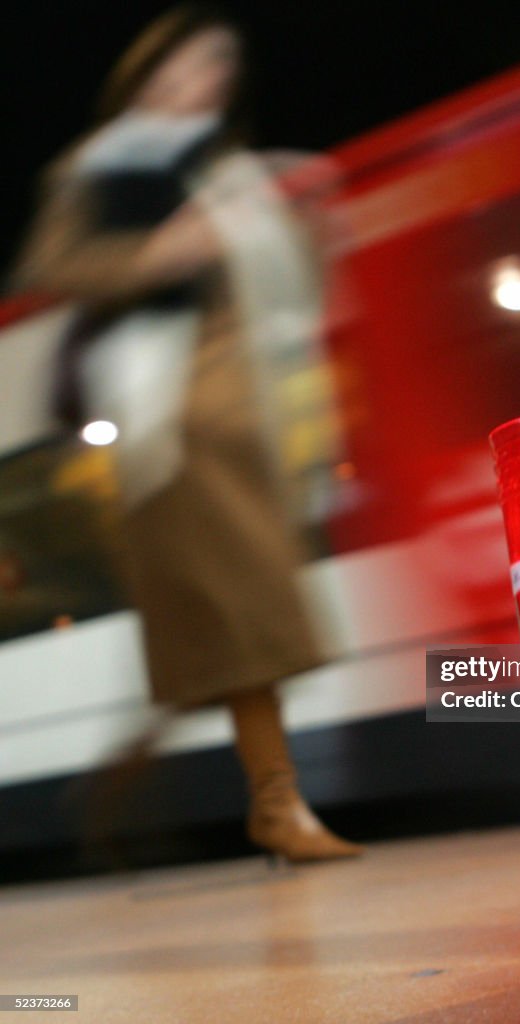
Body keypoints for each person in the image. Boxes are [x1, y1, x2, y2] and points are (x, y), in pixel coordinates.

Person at [12, 4, 361, 861]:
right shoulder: (95, 170)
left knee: (231, 624)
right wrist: (156, 255)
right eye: (184, 67)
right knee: (243, 615)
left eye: (216, 69)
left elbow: (281, 294)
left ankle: (142, 778)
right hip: (171, 422)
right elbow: (49, 265)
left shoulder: (227, 174)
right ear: (145, 75)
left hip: (248, 421)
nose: (200, 84)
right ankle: (276, 806)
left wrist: (301, 228)